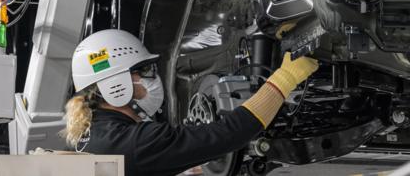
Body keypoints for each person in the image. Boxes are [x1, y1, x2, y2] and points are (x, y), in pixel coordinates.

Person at [63, 29, 318, 176]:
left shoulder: (94, 134)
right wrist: (284, 79)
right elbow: (231, 134)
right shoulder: (135, 142)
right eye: (142, 72)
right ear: (114, 84)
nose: (151, 79)